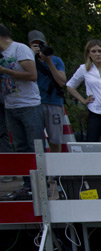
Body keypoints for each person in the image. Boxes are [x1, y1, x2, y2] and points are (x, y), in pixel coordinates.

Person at [0, 24, 43, 161]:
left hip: (29, 105)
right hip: (10, 106)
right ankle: (27, 181)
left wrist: (5, 70)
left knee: (35, 145)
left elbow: (32, 75)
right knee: (20, 147)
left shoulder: (20, 49)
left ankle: (42, 181)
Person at [28, 30, 66, 153]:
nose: (39, 48)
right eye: (35, 45)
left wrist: (48, 62)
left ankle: (57, 170)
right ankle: (41, 168)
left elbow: (62, 81)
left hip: (53, 102)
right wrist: (31, 55)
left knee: (55, 138)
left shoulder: (56, 60)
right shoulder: (27, 60)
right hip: (34, 103)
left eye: (41, 44)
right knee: (36, 139)